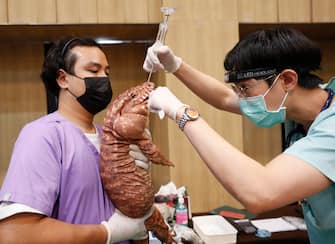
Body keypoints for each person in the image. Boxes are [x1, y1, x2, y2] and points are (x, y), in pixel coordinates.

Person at [143, 27, 335, 243]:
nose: (241, 98)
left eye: (245, 88)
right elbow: (224, 98)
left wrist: (180, 113)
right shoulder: (298, 106)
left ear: (288, 79)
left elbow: (260, 192)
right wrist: (175, 66)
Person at [0, 37, 153, 243]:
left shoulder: (111, 138)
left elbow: (131, 219)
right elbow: (15, 234)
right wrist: (108, 232)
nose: (103, 79)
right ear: (63, 79)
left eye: (106, 72)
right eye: (93, 71)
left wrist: (140, 222)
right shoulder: (42, 136)